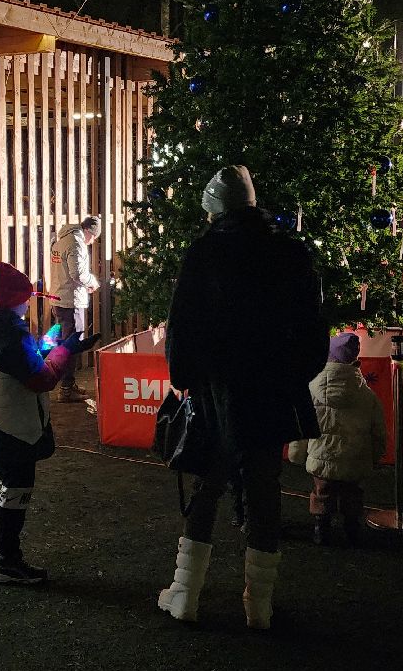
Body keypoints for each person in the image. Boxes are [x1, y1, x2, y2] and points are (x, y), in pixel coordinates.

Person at [157, 165, 327, 627]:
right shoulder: (290, 253)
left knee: (206, 486)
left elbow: (183, 326)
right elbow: (313, 332)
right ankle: (260, 606)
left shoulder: (204, 253)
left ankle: (186, 595)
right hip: (272, 392)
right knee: (264, 491)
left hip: (216, 391)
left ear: (215, 208)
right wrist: (291, 374)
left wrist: (185, 374)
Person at [0, 261, 96, 586]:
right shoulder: (9, 335)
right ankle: (7, 560)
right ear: (16, 299)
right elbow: (41, 378)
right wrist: (67, 351)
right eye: (27, 297)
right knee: (16, 488)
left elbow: (27, 356)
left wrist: (53, 339)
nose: (29, 302)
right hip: (17, 426)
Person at [287, 333, 386, 547]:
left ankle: (320, 528)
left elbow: (301, 425)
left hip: (322, 458)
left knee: (322, 492)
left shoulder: (313, 388)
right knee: (353, 494)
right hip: (355, 458)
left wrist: (296, 454)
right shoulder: (367, 395)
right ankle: (352, 529)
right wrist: (375, 456)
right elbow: (378, 429)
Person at [48, 216, 102, 401]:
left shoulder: (61, 240)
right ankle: (66, 388)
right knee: (72, 345)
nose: (92, 242)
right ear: (89, 232)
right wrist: (92, 282)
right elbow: (77, 273)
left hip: (59, 298)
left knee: (62, 344)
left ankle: (65, 384)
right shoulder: (76, 243)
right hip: (71, 301)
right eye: (93, 238)